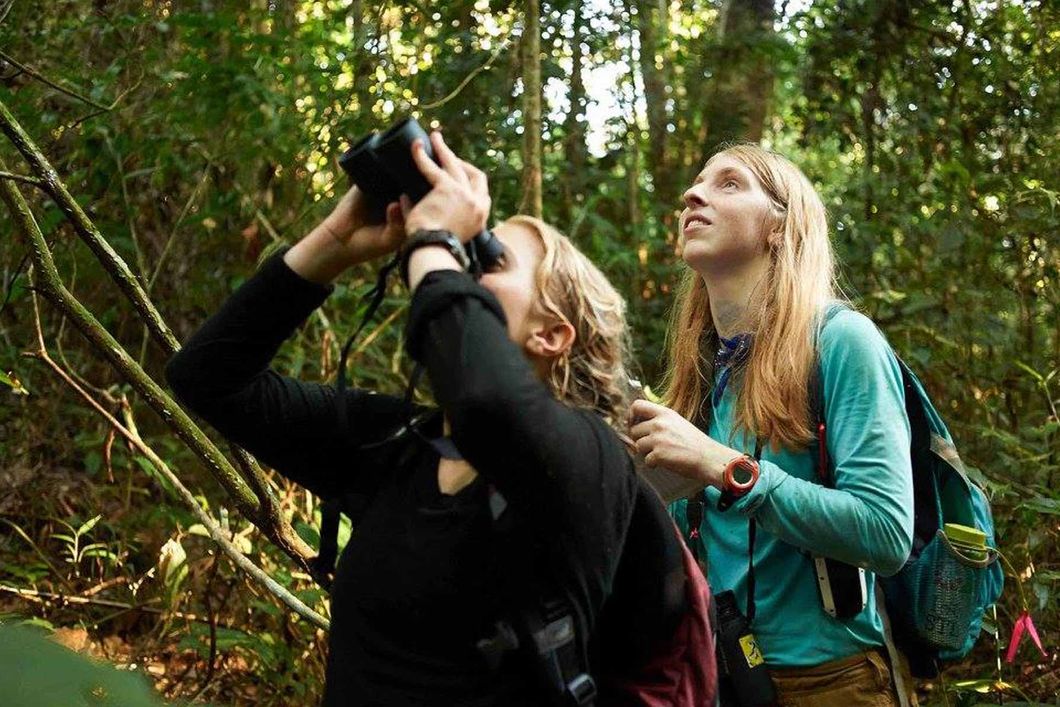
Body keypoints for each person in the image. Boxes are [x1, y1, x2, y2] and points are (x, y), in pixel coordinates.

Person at [165, 131, 697, 706]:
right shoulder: (395, 445)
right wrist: (335, 242)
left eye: (488, 256)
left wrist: (435, 240)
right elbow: (209, 376)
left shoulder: (590, 462)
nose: (461, 261)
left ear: (551, 335)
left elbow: (490, 405)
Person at [628, 143, 919, 706]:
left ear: (780, 228)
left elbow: (885, 533)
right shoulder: (703, 366)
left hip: (832, 683)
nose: (694, 194)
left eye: (729, 184)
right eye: (696, 182)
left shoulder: (841, 341)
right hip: (717, 675)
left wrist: (725, 468)